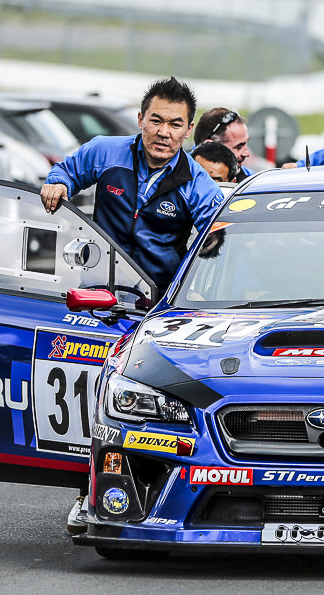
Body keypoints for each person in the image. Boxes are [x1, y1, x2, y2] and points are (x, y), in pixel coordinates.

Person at [41, 77, 224, 536]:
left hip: (154, 310)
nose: (164, 131)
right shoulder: (105, 151)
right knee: (86, 388)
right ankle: (85, 488)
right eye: (156, 120)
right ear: (140, 119)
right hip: (96, 299)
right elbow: (65, 172)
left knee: (136, 404)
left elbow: (216, 245)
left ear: (188, 133)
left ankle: (130, 490)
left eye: (175, 124)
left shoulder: (198, 186)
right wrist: (56, 185)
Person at [193, 107, 253, 180]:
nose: (247, 153)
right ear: (210, 146)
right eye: (238, 147)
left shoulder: (251, 180)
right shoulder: (179, 179)